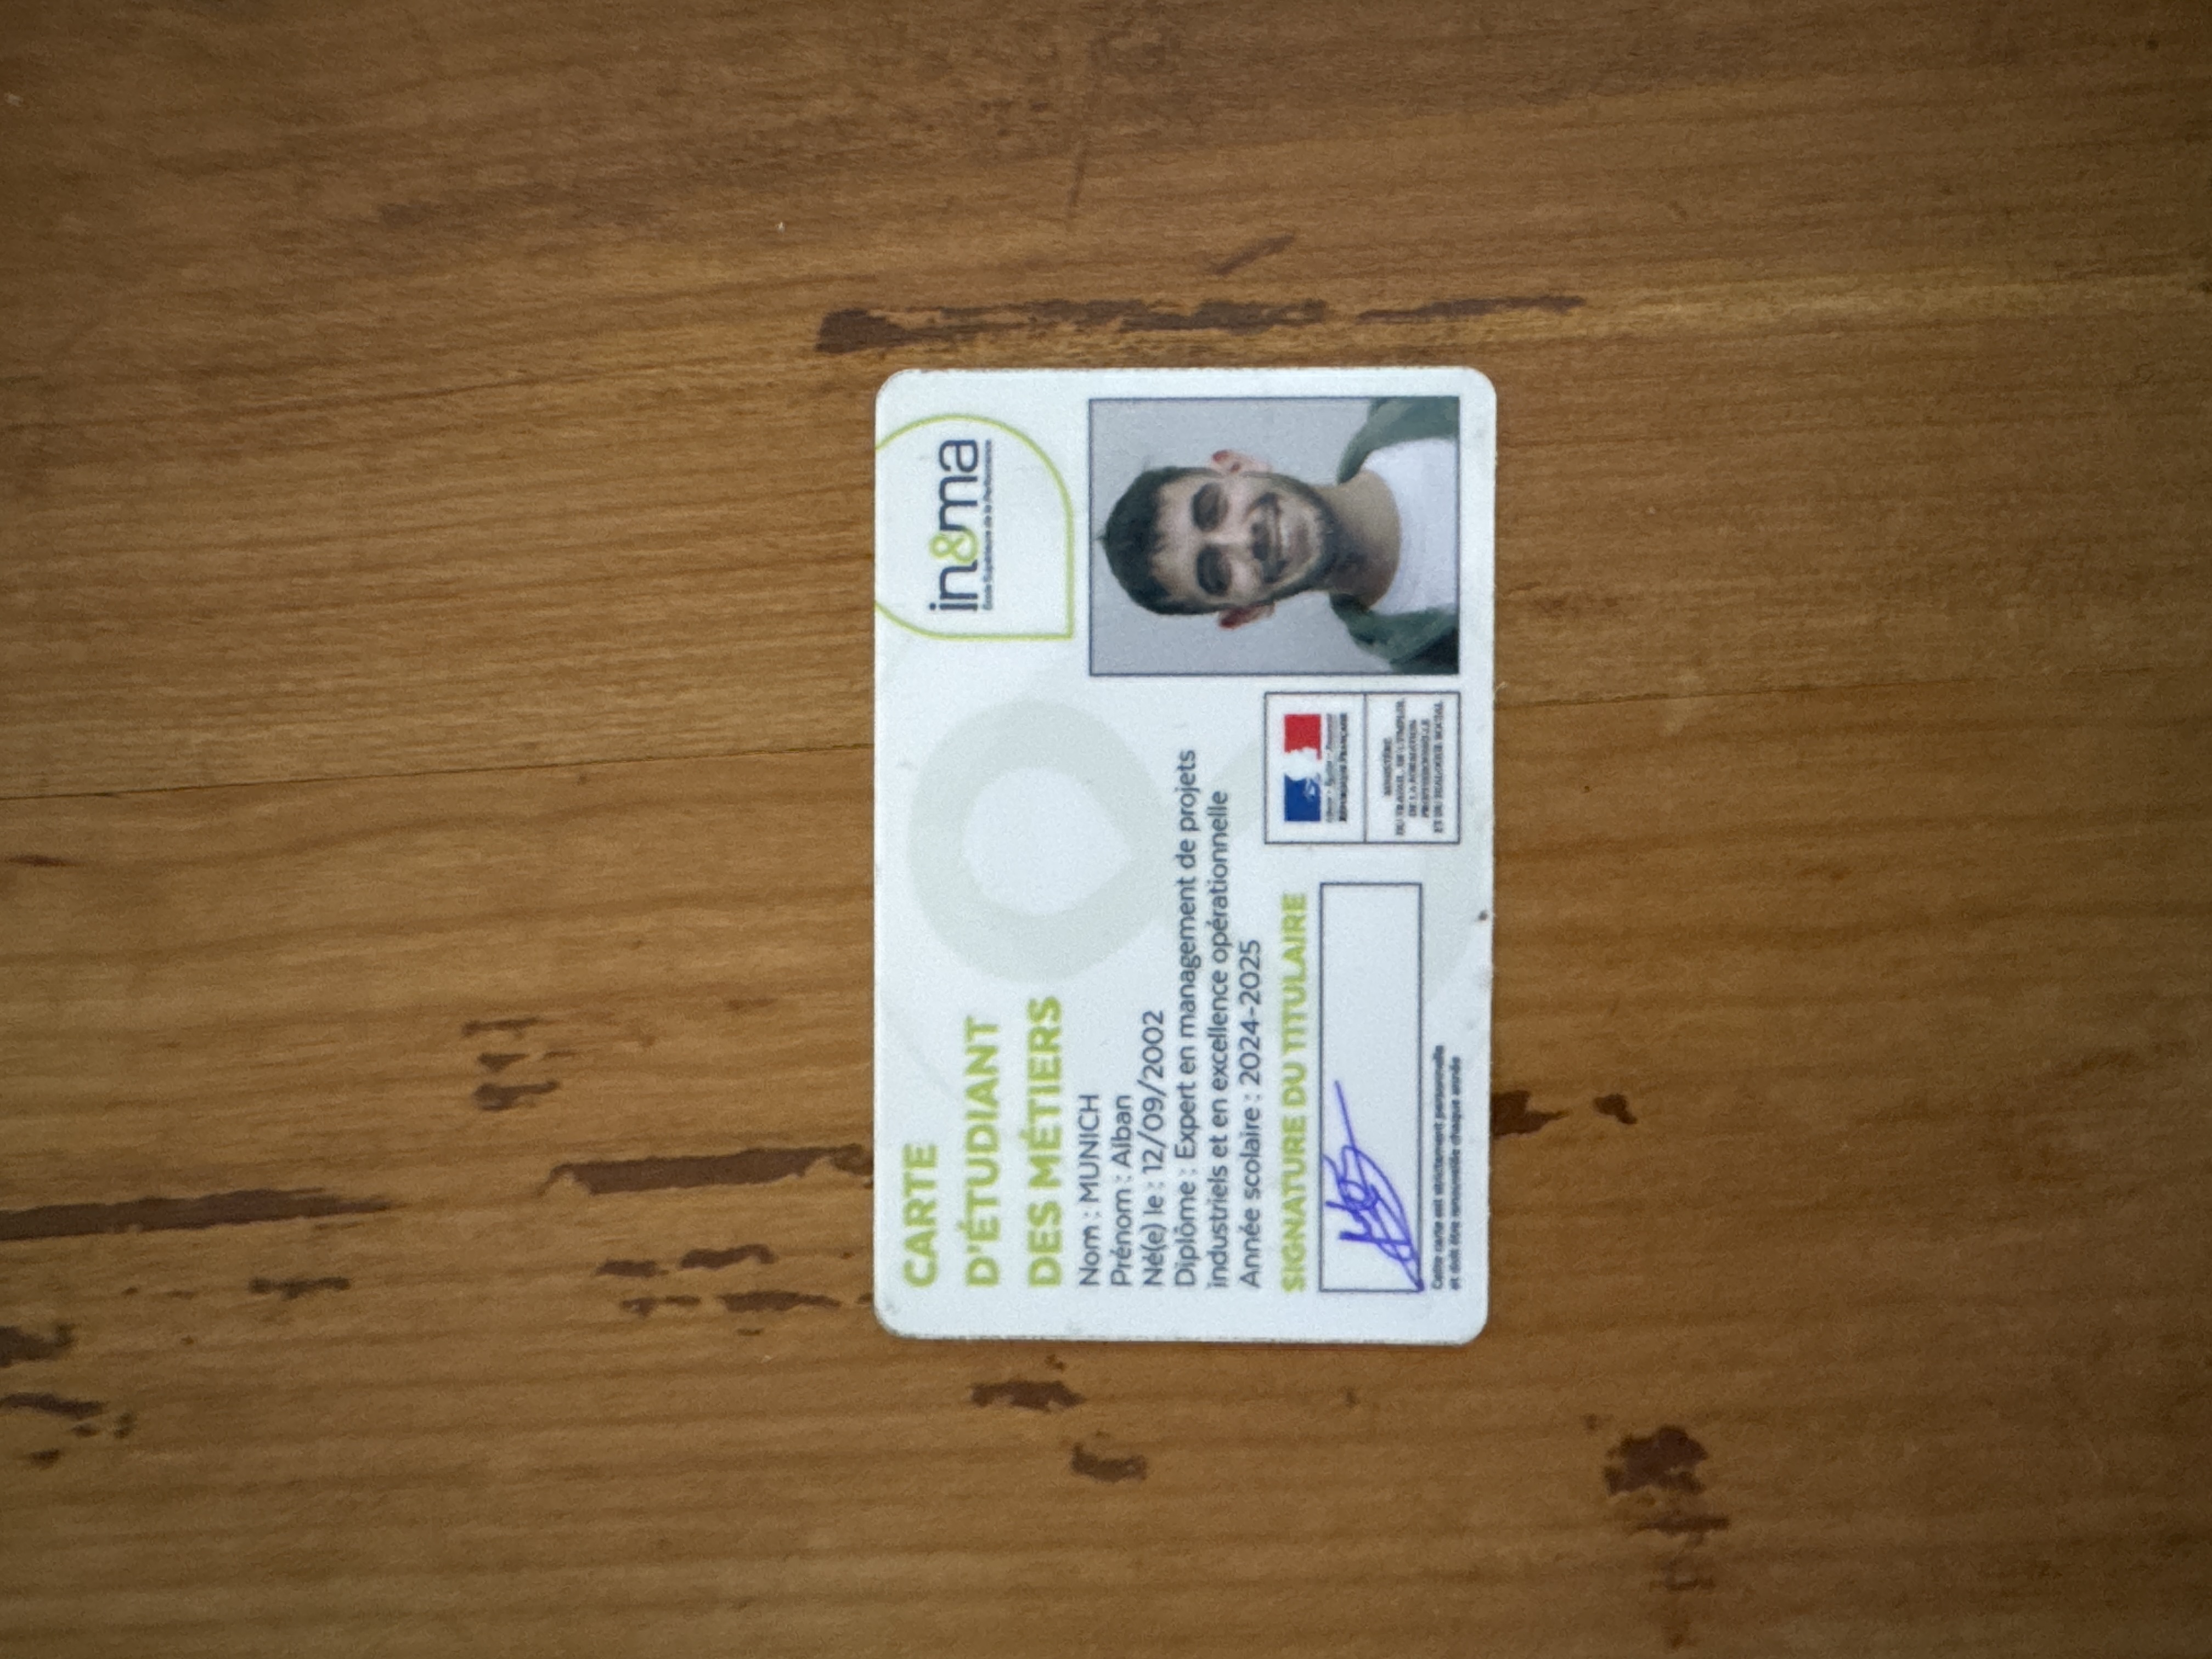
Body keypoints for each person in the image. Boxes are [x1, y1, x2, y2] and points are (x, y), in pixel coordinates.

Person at [1100, 397, 1458, 673]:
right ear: (1245, 612)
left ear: (1238, 466)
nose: (1242, 540)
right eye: (1216, 572)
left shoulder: (1421, 393)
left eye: (1213, 508)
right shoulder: (1435, 677)